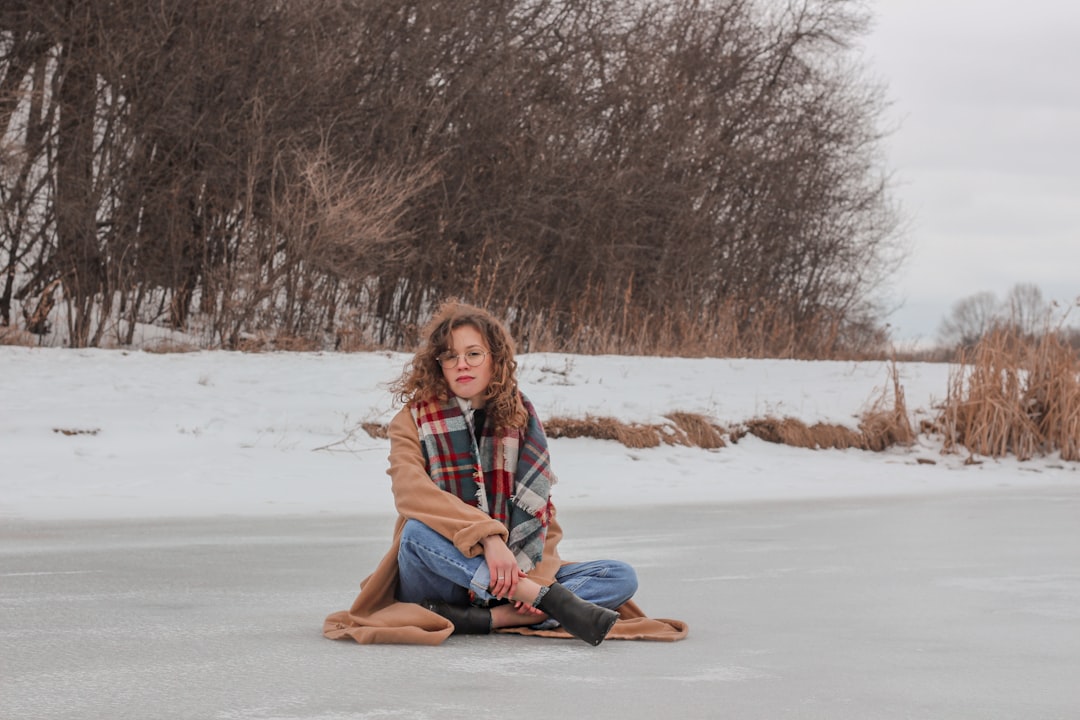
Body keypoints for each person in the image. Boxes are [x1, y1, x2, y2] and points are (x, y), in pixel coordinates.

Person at [323, 301, 687, 645]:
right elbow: (410, 492)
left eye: (473, 354)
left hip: (513, 567)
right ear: (438, 364)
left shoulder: (520, 419)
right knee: (416, 534)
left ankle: (492, 615)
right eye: (450, 356)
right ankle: (529, 606)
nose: (462, 364)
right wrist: (490, 540)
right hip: (441, 573)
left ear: (494, 360)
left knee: (620, 575)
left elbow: (540, 510)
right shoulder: (412, 420)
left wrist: (539, 576)